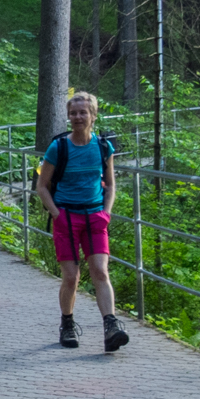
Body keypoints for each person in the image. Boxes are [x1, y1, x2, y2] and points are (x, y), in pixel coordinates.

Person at [36, 92, 130, 352]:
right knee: (71, 277)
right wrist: (56, 214)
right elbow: (42, 186)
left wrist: (106, 213)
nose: (78, 117)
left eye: (83, 112)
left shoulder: (102, 147)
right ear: (69, 116)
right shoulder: (59, 148)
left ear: (93, 116)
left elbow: (110, 184)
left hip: (95, 217)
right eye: (74, 113)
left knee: (100, 271)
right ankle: (67, 324)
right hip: (66, 216)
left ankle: (111, 326)